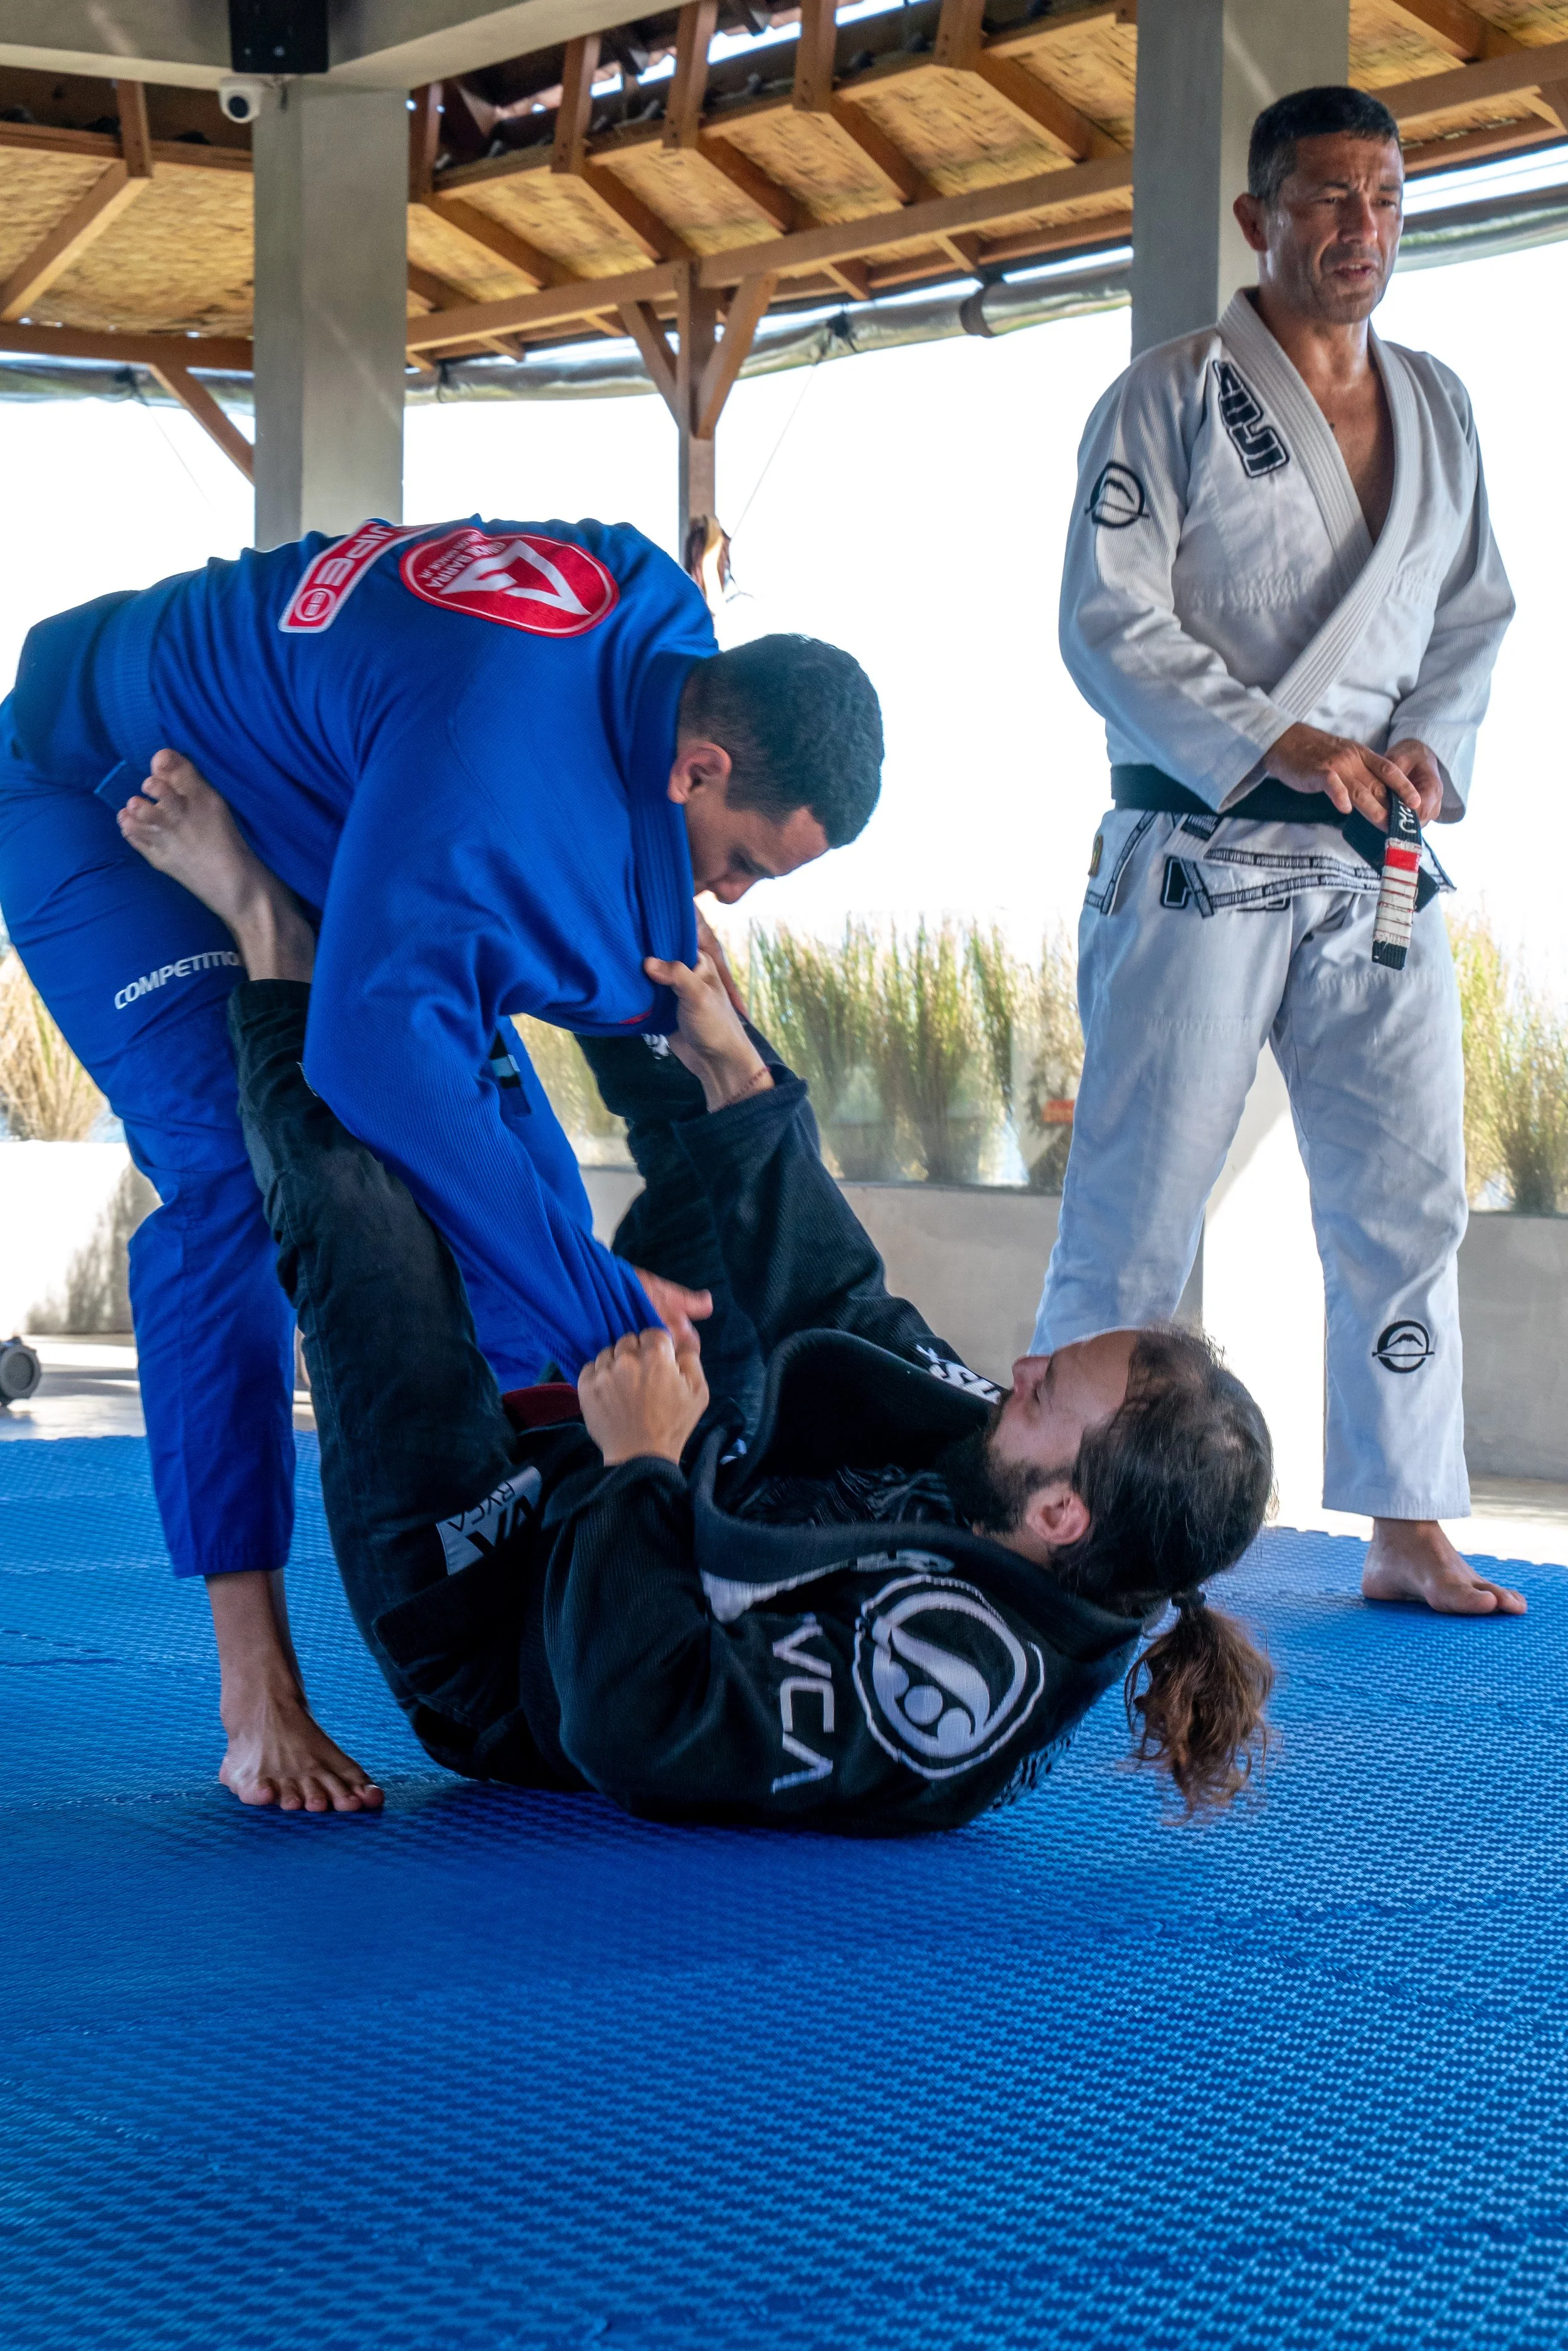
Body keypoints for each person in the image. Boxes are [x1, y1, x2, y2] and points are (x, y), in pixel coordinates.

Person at [123, 753, 1276, 1830]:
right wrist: (737, 1078)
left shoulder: (952, 1687)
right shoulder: (1030, 1485)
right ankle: (594, 893)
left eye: (1045, 1395)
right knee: (739, 1090)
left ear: (1061, 1517)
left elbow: (639, 1723)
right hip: (666, 1447)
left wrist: (640, 1471)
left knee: (371, 1230)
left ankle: (267, 925)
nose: (1019, 1371)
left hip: (498, 1623)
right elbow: (850, 1315)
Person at [0, 515, 883, 1810]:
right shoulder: (495, 778)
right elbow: (366, 1055)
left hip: (328, 820)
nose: (735, 898)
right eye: (747, 862)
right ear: (697, 766)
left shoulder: (652, 610)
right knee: (238, 1185)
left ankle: (543, 1511)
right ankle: (256, 1696)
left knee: (526, 1180)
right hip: (105, 792)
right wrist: (602, 1318)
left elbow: (581, 908)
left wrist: (730, 1075)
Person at [1044, 84, 1525, 1620]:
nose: (1360, 230)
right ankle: (1074, 1509)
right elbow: (1106, 621)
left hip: (1373, 868)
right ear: (1258, 219)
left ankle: (1403, 1520)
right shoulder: (1167, 395)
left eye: (1383, 199)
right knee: (1138, 1202)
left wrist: (1427, 751)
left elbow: (1472, 614)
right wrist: (1278, 740)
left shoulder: (1440, 404)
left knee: (1402, 1196)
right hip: (1200, 845)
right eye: (1327, 200)